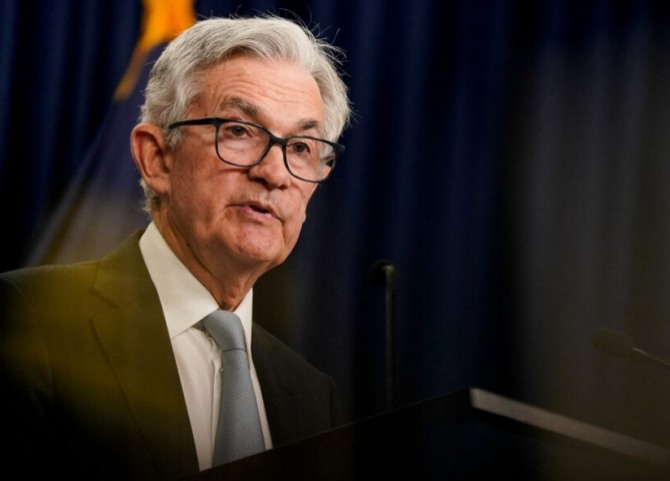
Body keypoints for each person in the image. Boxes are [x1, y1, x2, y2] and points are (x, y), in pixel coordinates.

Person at [0, 13, 352, 481]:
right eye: (239, 131)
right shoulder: (25, 319)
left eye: (302, 147)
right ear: (157, 158)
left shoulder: (313, 398)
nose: (275, 173)